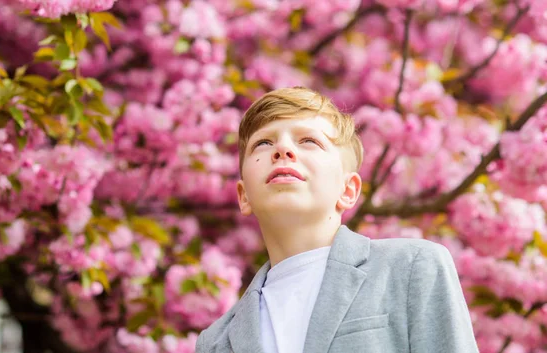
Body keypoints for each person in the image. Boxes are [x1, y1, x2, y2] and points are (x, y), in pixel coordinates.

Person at [195, 87, 479, 353]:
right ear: (244, 196)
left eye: (309, 141)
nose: (282, 149)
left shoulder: (412, 267)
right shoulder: (216, 341)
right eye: (263, 143)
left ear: (348, 190)